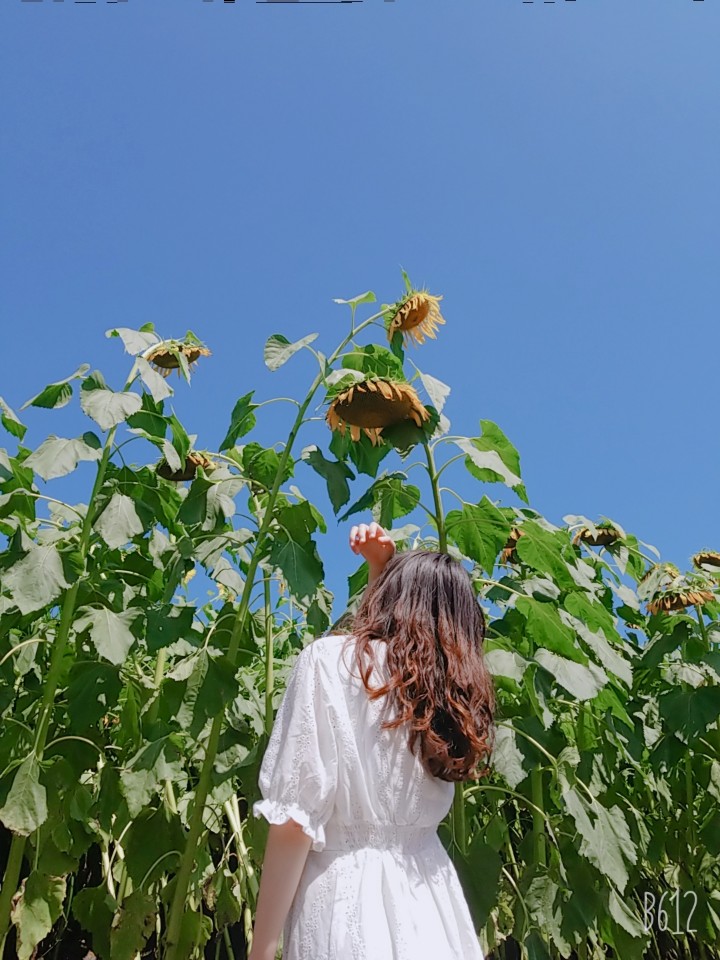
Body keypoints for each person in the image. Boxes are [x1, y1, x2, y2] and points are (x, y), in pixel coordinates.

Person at [248, 521, 496, 960]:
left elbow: (294, 822)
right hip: (432, 899)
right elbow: (392, 663)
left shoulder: (326, 662)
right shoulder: (447, 695)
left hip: (345, 899)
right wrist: (384, 570)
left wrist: (262, 951)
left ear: (389, 601)